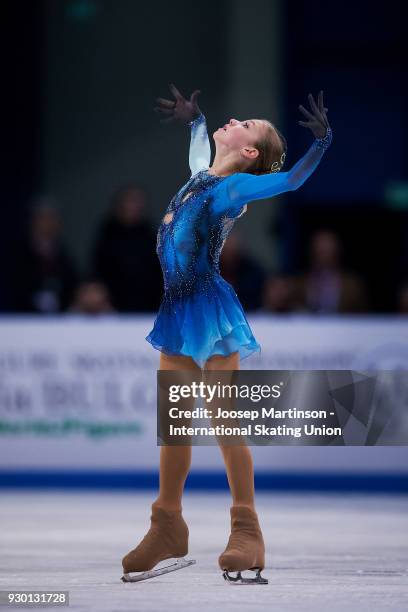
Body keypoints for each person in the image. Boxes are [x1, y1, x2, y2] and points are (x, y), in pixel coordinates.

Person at [121, 84, 332, 584]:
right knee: (173, 426)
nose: (236, 119)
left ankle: (247, 529)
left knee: (222, 421)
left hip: (210, 315)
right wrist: (198, 121)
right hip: (176, 313)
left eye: (246, 124)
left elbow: (289, 183)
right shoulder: (201, 177)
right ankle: (167, 523)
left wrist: (320, 145)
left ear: (249, 151)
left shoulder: (230, 190)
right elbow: (201, 152)